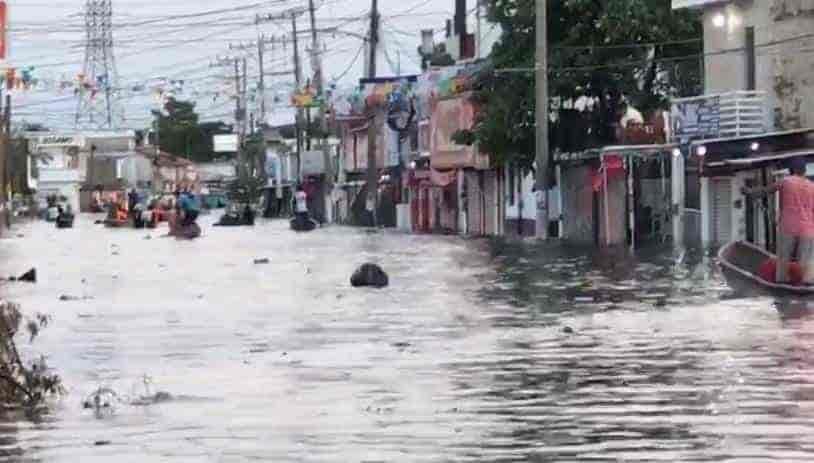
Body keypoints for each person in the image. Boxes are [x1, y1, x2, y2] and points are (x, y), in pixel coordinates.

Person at [744, 158, 814, 284]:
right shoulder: (812, 186)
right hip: (808, 230)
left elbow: (764, 191)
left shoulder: (786, 181)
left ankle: (782, 284)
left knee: (783, 260)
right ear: (804, 171)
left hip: (788, 227)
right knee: (806, 262)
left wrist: (749, 192)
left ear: (791, 170)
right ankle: (807, 284)